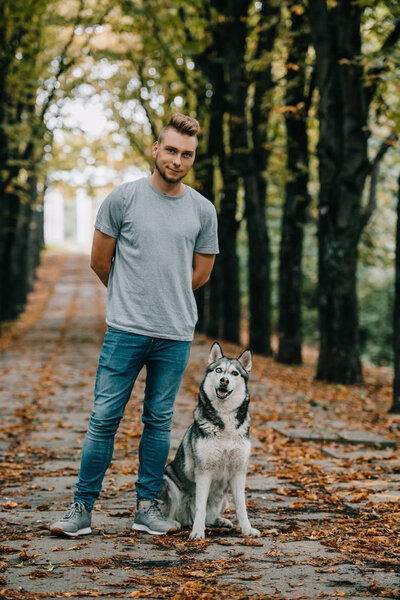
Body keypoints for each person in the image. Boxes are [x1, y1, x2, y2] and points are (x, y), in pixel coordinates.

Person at [50, 113, 219, 537]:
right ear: (156, 149)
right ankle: (81, 510)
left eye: (187, 154)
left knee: (158, 422)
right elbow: (98, 260)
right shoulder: (123, 199)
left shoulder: (203, 209)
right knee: (103, 420)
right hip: (125, 330)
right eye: (172, 150)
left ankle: (146, 508)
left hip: (175, 334)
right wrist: (131, 296)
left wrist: (168, 299)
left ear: (192, 158)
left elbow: (201, 274)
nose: (178, 160)